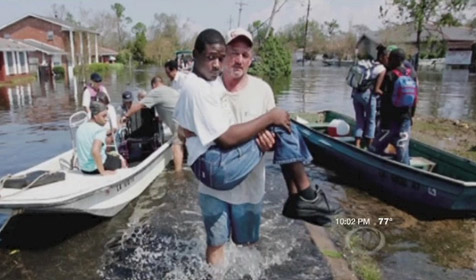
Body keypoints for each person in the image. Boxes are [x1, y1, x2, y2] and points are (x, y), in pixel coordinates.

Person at [174, 29, 341, 255]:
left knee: (247, 247)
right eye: (233, 53)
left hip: (248, 185)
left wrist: (268, 140)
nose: (237, 60)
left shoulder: (261, 90)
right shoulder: (207, 84)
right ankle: (305, 195)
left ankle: (298, 197)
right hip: (216, 181)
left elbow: (274, 143)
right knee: (216, 244)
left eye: (244, 54)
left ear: (251, 60)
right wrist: (268, 121)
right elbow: (193, 127)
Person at [124, 76, 185, 172]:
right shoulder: (171, 90)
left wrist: (126, 116)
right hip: (187, 119)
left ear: (153, 85)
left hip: (179, 123)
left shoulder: (156, 91)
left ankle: (178, 173)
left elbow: (139, 105)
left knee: (177, 145)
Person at [373, 48, 418, 164]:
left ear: (394, 59)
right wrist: (412, 114)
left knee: (378, 145)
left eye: (390, 58)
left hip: (391, 116)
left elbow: (385, 99)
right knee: (403, 144)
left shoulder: (390, 75)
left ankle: (373, 161)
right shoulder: (412, 74)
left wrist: (383, 119)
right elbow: (416, 96)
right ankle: (405, 166)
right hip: (406, 115)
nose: (388, 61)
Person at [351, 45, 388, 149]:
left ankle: (357, 144)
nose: (388, 60)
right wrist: (386, 95)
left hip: (355, 94)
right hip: (367, 96)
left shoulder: (366, 63)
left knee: (359, 119)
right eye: (387, 57)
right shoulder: (382, 69)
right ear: (382, 57)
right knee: (371, 121)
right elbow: (377, 89)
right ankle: (370, 145)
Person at [76, 101, 123, 175]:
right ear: (95, 116)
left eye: (107, 116)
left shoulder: (80, 128)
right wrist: (103, 172)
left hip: (84, 169)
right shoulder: (100, 130)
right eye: (103, 116)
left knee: (109, 155)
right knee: (121, 161)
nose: (106, 119)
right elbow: (95, 151)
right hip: (96, 168)